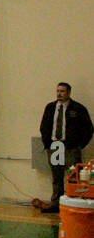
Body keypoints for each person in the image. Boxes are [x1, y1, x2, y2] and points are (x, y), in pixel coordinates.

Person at [39, 82, 93, 213]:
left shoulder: (78, 108)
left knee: (72, 176)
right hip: (55, 147)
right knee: (56, 177)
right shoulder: (51, 107)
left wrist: (79, 145)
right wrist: (47, 144)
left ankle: (73, 202)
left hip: (70, 148)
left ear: (68, 92)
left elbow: (89, 129)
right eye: (57, 91)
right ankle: (56, 203)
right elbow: (44, 126)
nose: (59, 94)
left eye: (62, 91)